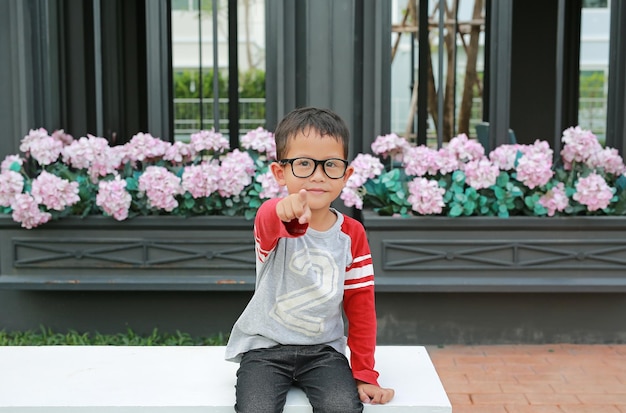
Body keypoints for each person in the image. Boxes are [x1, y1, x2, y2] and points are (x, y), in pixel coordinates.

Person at [225, 107, 395, 412]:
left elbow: (361, 307)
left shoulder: (352, 234)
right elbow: (271, 219)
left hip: (324, 353)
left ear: (346, 174)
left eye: (330, 164)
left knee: (343, 407)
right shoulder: (272, 219)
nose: (318, 175)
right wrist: (288, 213)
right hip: (264, 350)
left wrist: (365, 373)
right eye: (303, 164)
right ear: (280, 172)